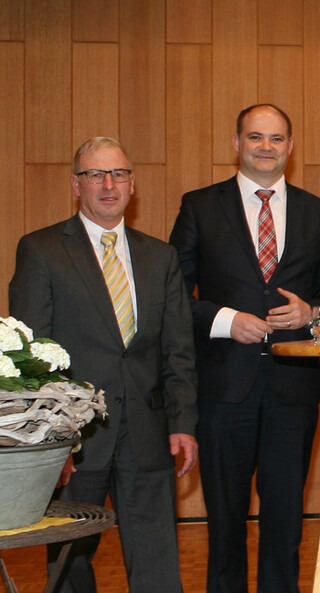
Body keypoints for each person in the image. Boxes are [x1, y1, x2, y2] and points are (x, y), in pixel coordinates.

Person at [9, 137, 198, 593]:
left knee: (157, 559)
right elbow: (29, 356)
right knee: (71, 560)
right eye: (95, 174)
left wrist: (184, 422)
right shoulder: (42, 250)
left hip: (150, 434)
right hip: (78, 439)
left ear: (133, 183)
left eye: (117, 174)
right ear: (76, 185)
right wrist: (50, 442)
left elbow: (177, 349)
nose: (108, 184)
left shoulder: (160, 256)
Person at [169, 104, 320, 593]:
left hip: (292, 390)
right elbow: (172, 293)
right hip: (223, 389)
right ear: (236, 143)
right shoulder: (199, 205)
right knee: (225, 527)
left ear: (291, 146)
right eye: (256, 137)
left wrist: (311, 314)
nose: (267, 147)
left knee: (285, 524)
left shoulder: (317, 211)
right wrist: (223, 320)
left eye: (277, 138)